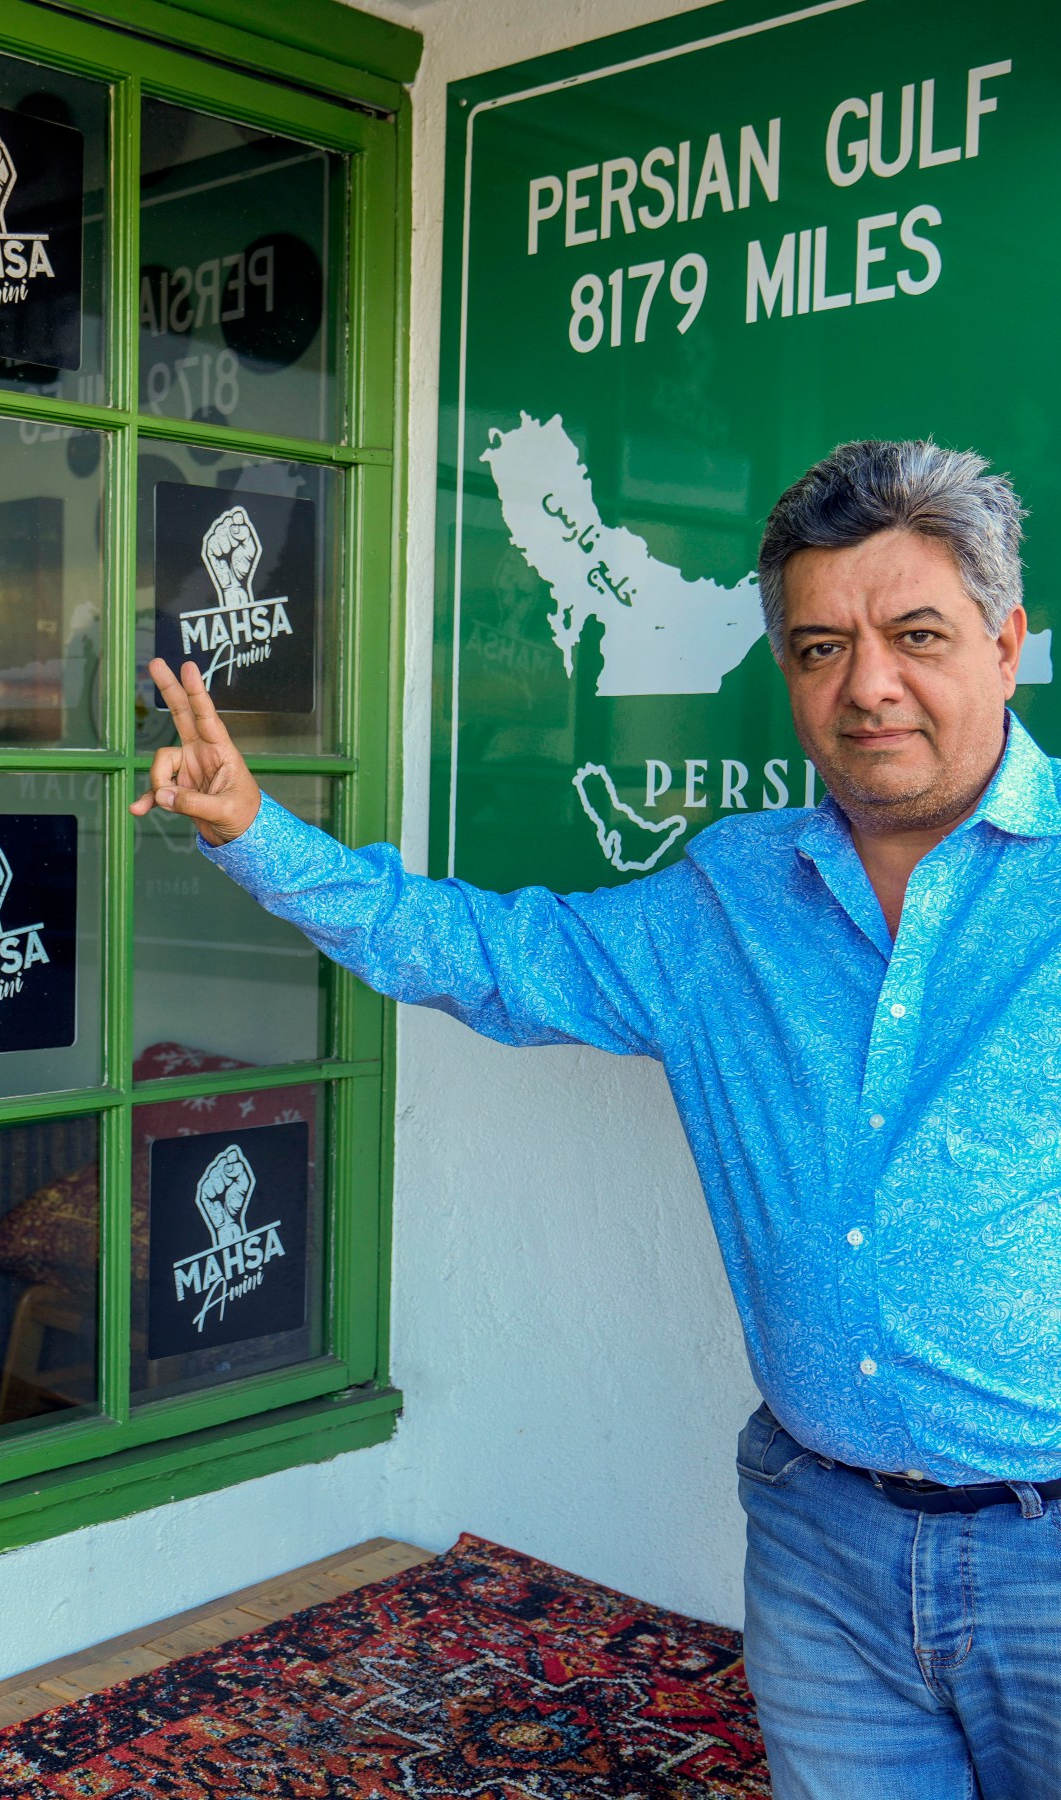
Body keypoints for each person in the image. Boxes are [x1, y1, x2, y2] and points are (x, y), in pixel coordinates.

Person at [131, 439, 1061, 1800]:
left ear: (1006, 642)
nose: (869, 686)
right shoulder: (728, 899)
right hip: (823, 1549)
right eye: (821, 648)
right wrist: (257, 833)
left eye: (917, 635)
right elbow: (488, 955)